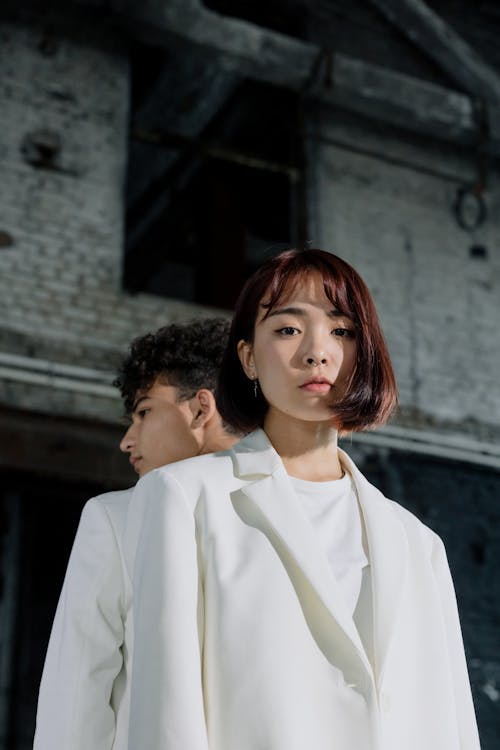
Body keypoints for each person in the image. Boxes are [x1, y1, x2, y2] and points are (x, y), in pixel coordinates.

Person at [127, 249, 480, 750]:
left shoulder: (417, 541)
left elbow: (451, 720)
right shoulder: (185, 498)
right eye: (288, 329)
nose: (318, 351)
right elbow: (164, 705)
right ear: (248, 357)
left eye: (342, 331)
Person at [33, 318, 238, 750]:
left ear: (201, 409)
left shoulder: (118, 517)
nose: (128, 441)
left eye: (144, 412)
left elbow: (77, 689)